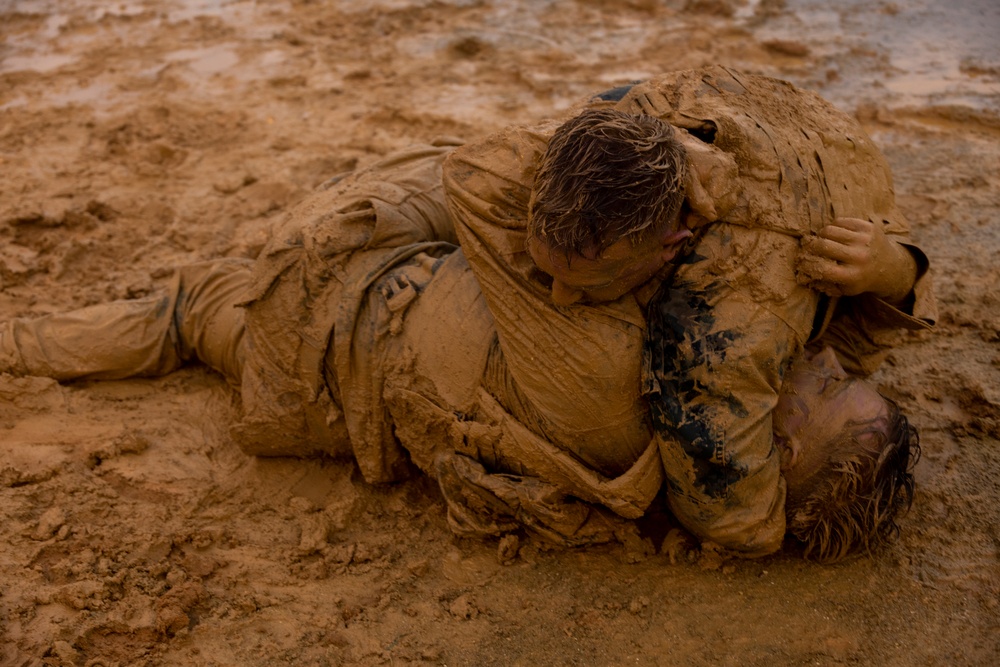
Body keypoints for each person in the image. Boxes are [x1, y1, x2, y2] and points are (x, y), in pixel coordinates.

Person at [0, 66, 934, 561]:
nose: (820, 366)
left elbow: (482, 174)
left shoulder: (617, 389)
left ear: (766, 463)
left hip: (335, 332)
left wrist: (670, 149)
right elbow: (850, 330)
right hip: (415, 260)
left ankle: (19, 339)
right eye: (837, 378)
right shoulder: (742, 363)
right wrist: (896, 269)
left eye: (814, 405)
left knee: (192, 312)